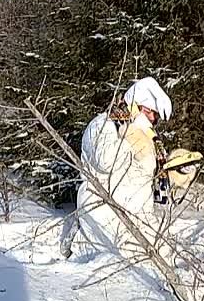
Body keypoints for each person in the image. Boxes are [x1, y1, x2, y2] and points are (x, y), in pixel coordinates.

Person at [61, 77, 173, 260]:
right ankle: (76, 244)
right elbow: (105, 162)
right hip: (104, 209)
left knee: (163, 255)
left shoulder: (148, 137)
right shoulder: (103, 125)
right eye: (150, 112)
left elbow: (149, 175)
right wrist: (129, 139)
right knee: (122, 261)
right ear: (135, 106)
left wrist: (177, 170)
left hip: (139, 212)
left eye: (156, 116)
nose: (153, 119)